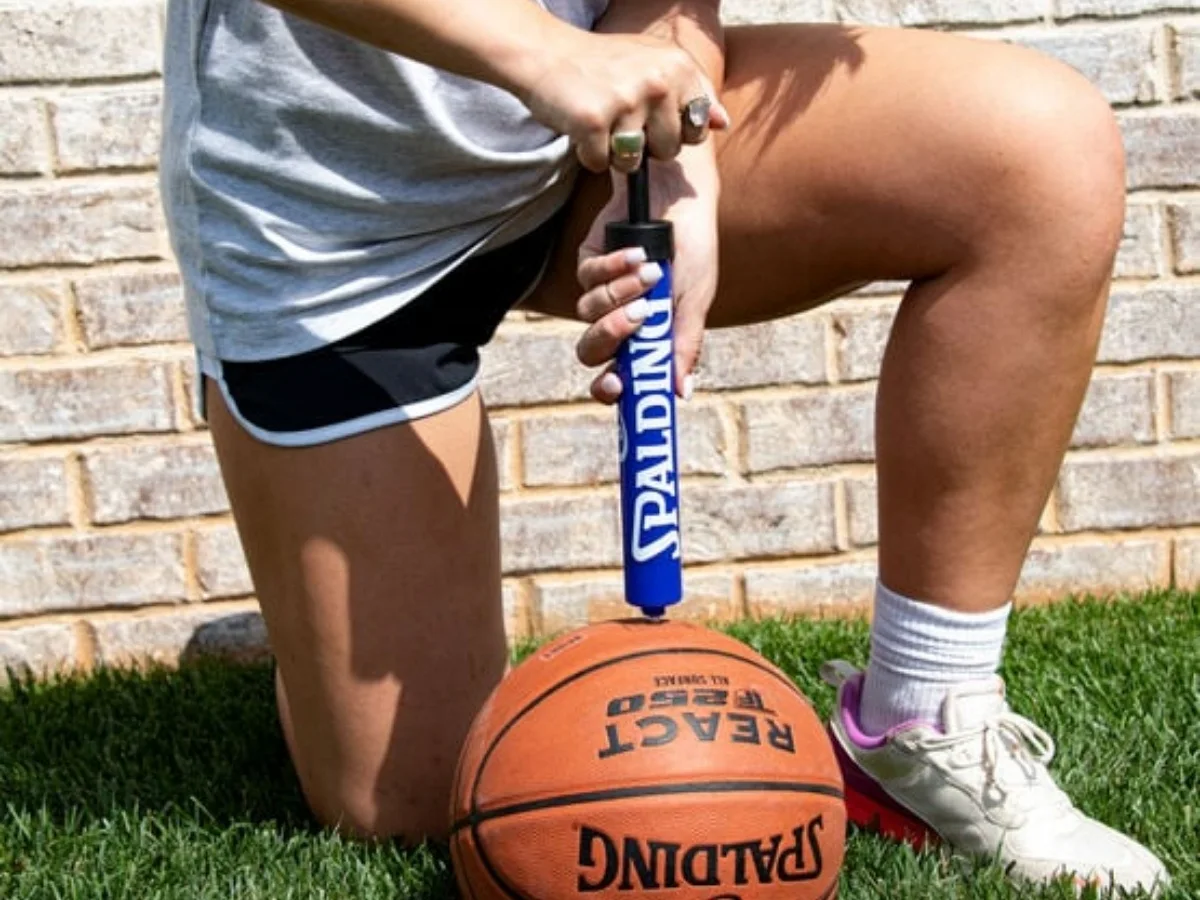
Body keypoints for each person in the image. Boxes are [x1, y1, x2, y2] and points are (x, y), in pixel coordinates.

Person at [160, 0, 1169, 893]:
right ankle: (316, 603)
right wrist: (541, 53)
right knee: (414, 801)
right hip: (334, 231)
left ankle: (922, 714)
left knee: (1034, 151)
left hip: (582, 152)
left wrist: (683, 158)